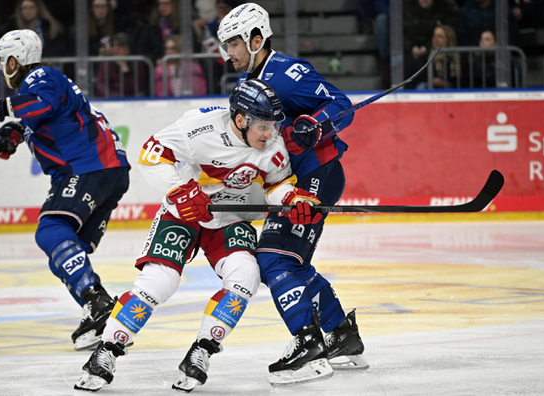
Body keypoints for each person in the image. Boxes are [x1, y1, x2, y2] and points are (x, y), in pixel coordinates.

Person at [74, 79, 325, 393]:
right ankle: (106, 352)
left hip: (232, 219)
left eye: (274, 126)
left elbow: (277, 186)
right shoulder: (199, 127)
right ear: (240, 120)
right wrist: (178, 192)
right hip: (186, 214)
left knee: (245, 276)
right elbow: (152, 153)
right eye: (263, 126)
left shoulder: (272, 147)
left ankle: (202, 350)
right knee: (159, 282)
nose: (270, 134)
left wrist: (294, 201)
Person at [217, 3, 368, 385]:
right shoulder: (246, 84)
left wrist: (314, 126)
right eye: (226, 44)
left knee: (273, 259)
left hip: (317, 174)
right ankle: (340, 335)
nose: (228, 53)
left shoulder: (286, 74)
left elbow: (341, 105)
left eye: (233, 43)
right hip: (290, 185)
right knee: (288, 262)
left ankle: (309, 348)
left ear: (256, 39)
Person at [0, 29, 130, 351]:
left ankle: (97, 298)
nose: (0, 68)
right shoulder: (41, 87)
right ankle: (100, 315)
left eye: (1, 61)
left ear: (13, 60)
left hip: (87, 165)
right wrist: (10, 136)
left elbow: (41, 104)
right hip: (108, 169)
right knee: (65, 252)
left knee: (51, 229)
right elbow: (38, 119)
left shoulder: (40, 76)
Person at [95, 32, 148, 98]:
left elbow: (136, 89)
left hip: (131, 100)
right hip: (109, 100)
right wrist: (113, 96)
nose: (114, 49)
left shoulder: (138, 64)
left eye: (119, 46)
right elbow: (100, 84)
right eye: (114, 46)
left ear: (127, 49)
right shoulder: (107, 63)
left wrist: (126, 71)